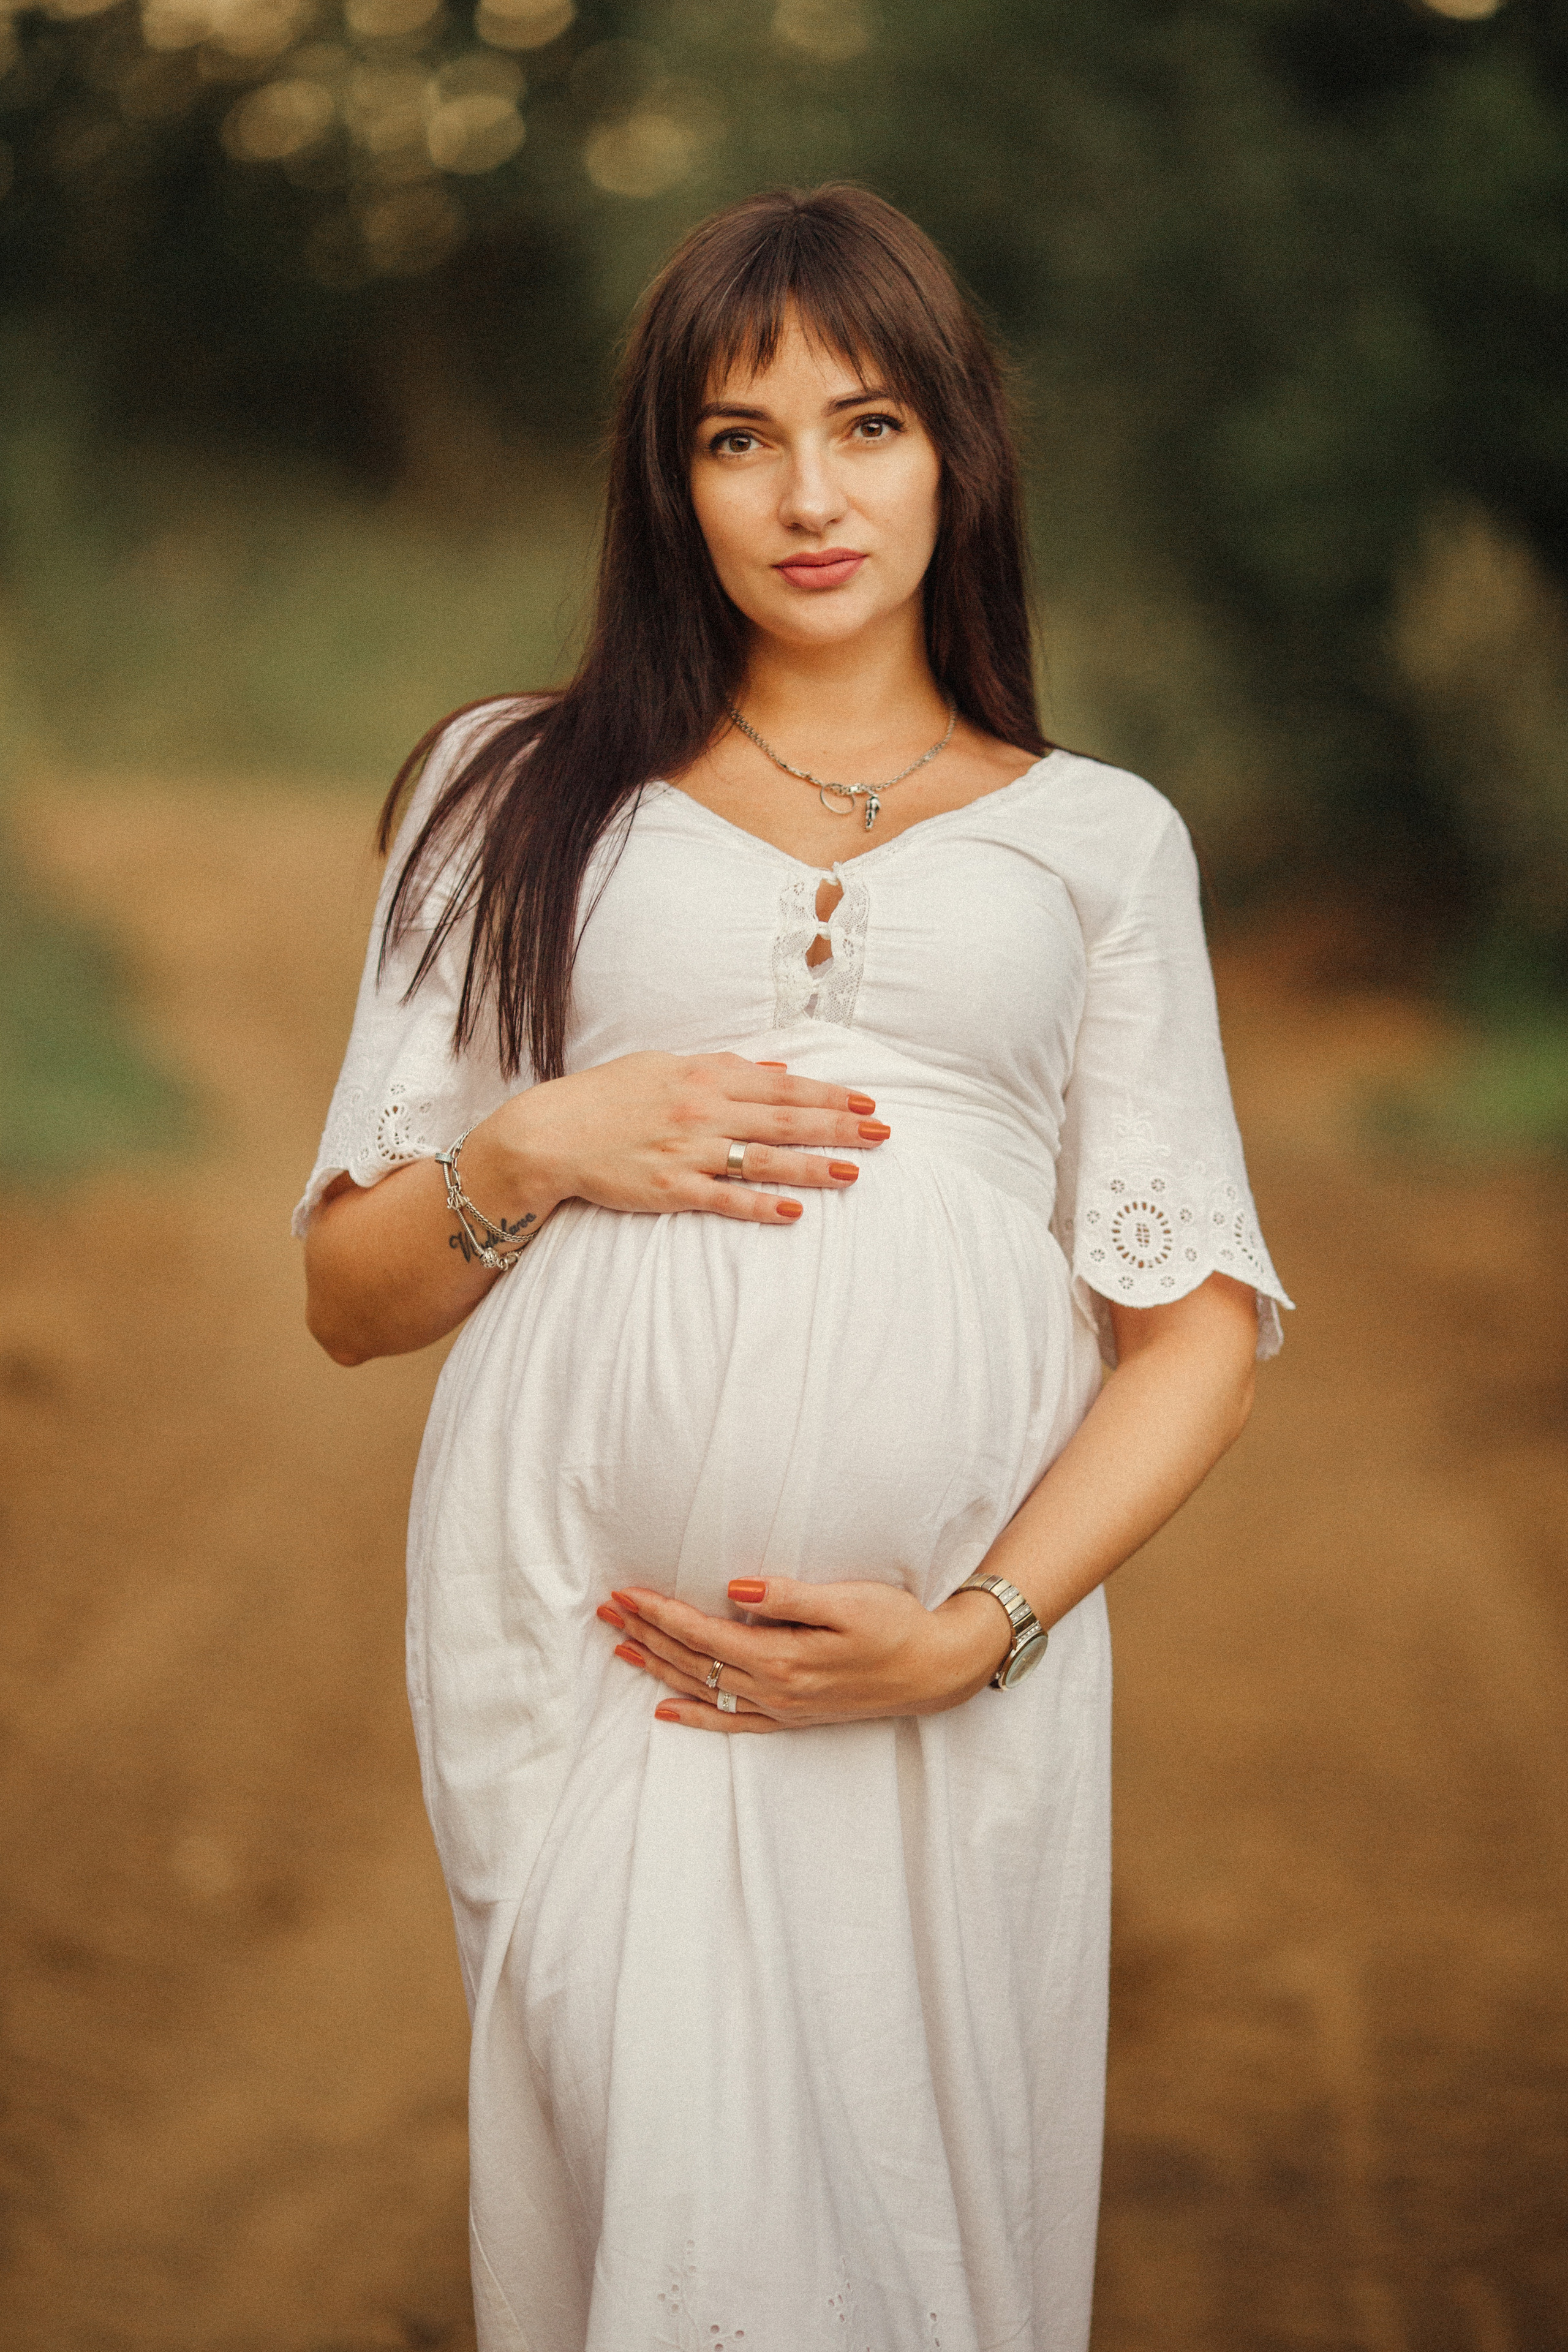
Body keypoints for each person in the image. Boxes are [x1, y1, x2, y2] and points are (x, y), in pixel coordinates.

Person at [296, 184, 1291, 2352]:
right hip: (589, 1656)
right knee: (663, 2215)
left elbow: (1195, 1327)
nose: (809, 494)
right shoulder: (515, 787)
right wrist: (536, 1139)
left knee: (907, 2231)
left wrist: (972, 1633)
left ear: (960, 454)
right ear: (672, 481)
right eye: (739, 439)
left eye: (869, 423)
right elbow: (354, 1296)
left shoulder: (1096, 839)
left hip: (937, 1697)